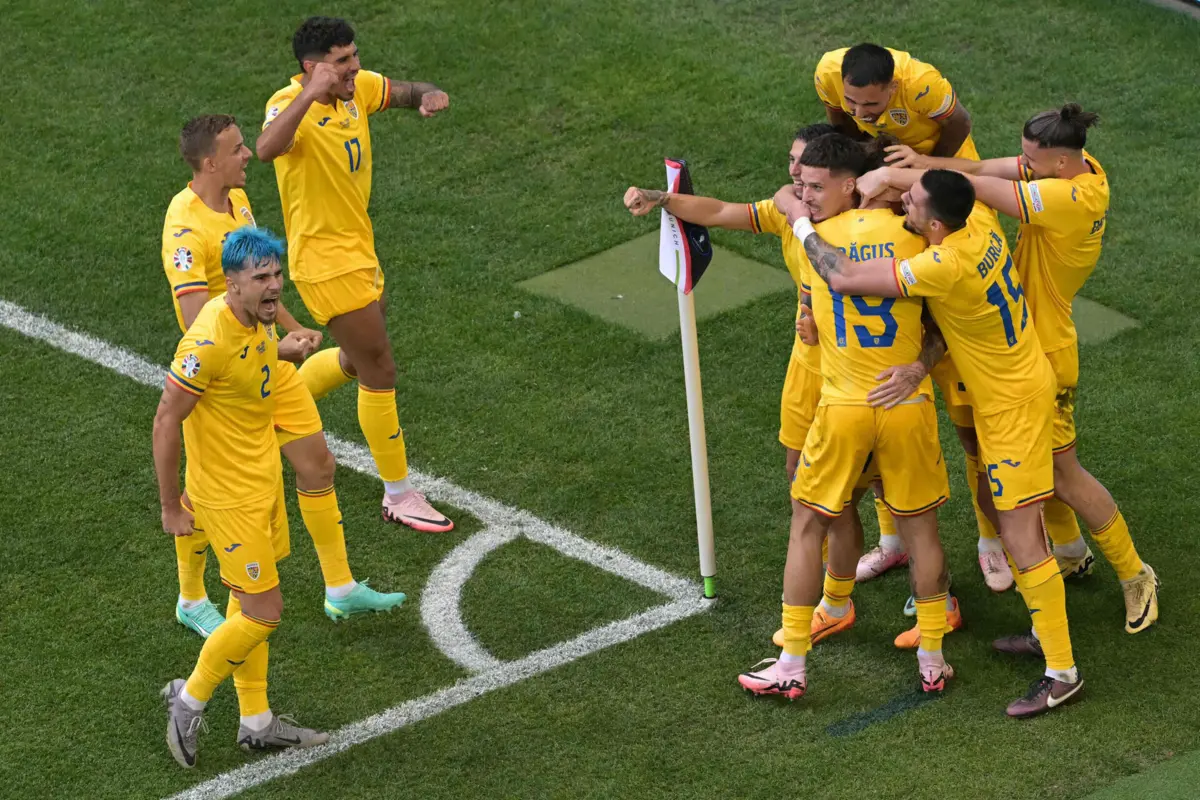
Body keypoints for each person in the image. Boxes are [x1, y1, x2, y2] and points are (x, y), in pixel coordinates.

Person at [780, 169, 1083, 718]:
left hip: (1012, 408)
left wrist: (801, 223)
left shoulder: (943, 263)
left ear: (936, 223)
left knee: (1021, 536)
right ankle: (1047, 633)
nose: (903, 206)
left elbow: (845, 276)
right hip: (1014, 388)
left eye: (912, 203)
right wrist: (920, 364)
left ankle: (1061, 671)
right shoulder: (981, 225)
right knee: (1018, 527)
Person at [623, 124, 912, 645]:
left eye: (806, 168)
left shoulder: (871, 224)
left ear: (841, 179)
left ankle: (848, 595)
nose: (796, 177)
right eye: (793, 165)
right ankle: (843, 575)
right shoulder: (794, 211)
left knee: (855, 494)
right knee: (799, 471)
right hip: (808, 369)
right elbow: (719, 213)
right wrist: (661, 198)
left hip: (857, 377)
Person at [879, 104, 1159, 634]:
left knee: (1061, 473)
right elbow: (996, 170)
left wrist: (901, 175)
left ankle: (1136, 575)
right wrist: (925, 158)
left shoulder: (1068, 199)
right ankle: (1073, 554)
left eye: (1033, 160)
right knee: (1035, 476)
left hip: (1046, 350)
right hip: (1026, 343)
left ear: (1058, 162)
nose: (1023, 164)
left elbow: (982, 189)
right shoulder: (1078, 167)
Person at [161, 114, 406, 638]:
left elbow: (262, 286)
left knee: (318, 465)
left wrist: (294, 329)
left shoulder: (236, 201)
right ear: (210, 162)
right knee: (206, 493)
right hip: (226, 375)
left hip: (267, 360)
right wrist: (275, 344)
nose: (249, 154)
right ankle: (191, 596)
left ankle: (339, 589)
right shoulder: (184, 228)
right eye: (237, 148)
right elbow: (194, 317)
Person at [735, 133, 956, 701]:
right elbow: (940, 331)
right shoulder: (921, 242)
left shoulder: (822, 237)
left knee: (808, 523)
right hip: (906, 405)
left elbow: (816, 279)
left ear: (853, 183)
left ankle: (791, 661)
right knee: (922, 531)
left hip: (842, 408)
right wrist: (916, 366)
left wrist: (797, 216)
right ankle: (932, 657)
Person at [815, 44, 1012, 592]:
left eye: (872, 104)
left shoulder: (954, 238)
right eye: (854, 102)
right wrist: (867, 151)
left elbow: (958, 126)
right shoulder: (832, 75)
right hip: (901, 173)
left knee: (973, 437)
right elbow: (843, 120)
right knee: (885, 434)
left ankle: (990, 542)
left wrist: (921, 164)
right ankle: (892, 544)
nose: (862, 110)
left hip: (936, 175)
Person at [256, 15, 453, 532]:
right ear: (312, 66)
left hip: (360, 250)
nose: (355, 67)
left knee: (352, 357)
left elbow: (406, 90)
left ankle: (269, 407)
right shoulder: (286, 105)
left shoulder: (357, 90)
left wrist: (428, 95)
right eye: (342, 61)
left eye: (354, 55)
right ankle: (398, 495)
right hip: (324, 263)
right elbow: (266, 149)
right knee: (379, 368)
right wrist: (309, 94)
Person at [155, 227, 328, 768]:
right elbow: (166, 419)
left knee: (243, 601)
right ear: (231, 284)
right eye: (261, 278)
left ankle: (256, 722)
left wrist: (284, 349)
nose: (274, 286)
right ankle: (189, 701)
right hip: (228, 499)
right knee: (264, 611)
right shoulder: (206, 341)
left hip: (261, 484)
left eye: (277, 275)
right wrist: (168, 506)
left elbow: (248, 362)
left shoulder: (256, 321)